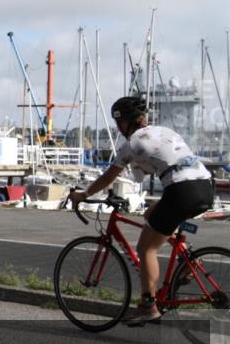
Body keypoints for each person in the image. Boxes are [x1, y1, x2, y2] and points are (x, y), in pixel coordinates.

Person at [70, 96, 213, 326]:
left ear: (125, 122)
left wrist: (83, 195)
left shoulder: (132, 143)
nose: (118, 128)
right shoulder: (165, 131)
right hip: (205, 186)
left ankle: (148, 306)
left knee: (146, 248)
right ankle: (189, 262)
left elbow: (109, 177)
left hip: (180, 190)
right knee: (152, 216)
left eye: (119, 124)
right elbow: (148, 170)